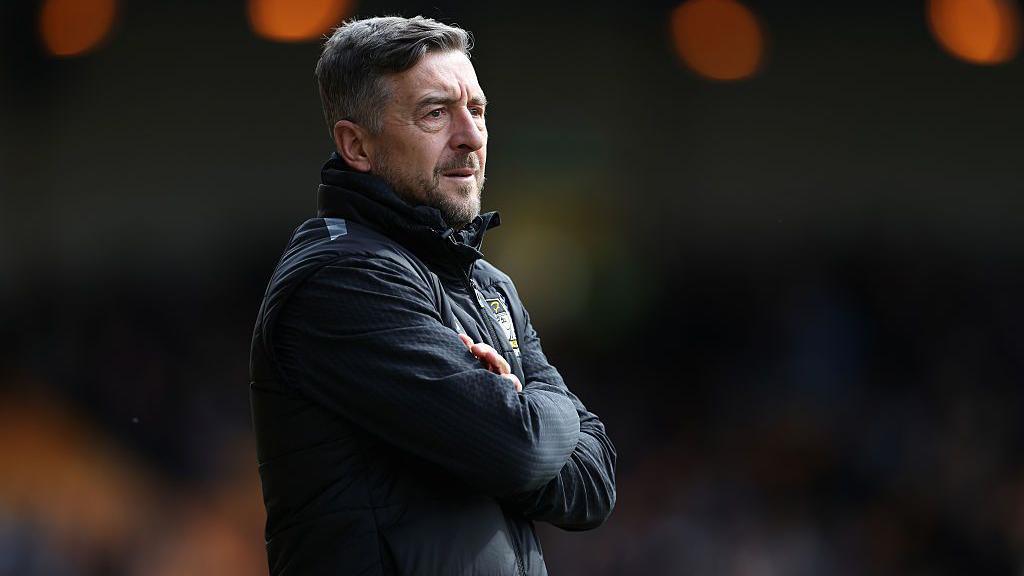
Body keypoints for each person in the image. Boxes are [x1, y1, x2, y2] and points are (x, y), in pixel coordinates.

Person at [249, 15, 616, 575]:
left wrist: (522, 418)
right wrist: (538, 415)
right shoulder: (340, 280)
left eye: (478, 110)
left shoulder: (487, 284)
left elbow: (596, 484)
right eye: (436, 113)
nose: (470, 137)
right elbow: (520, 449)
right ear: (357, 145)